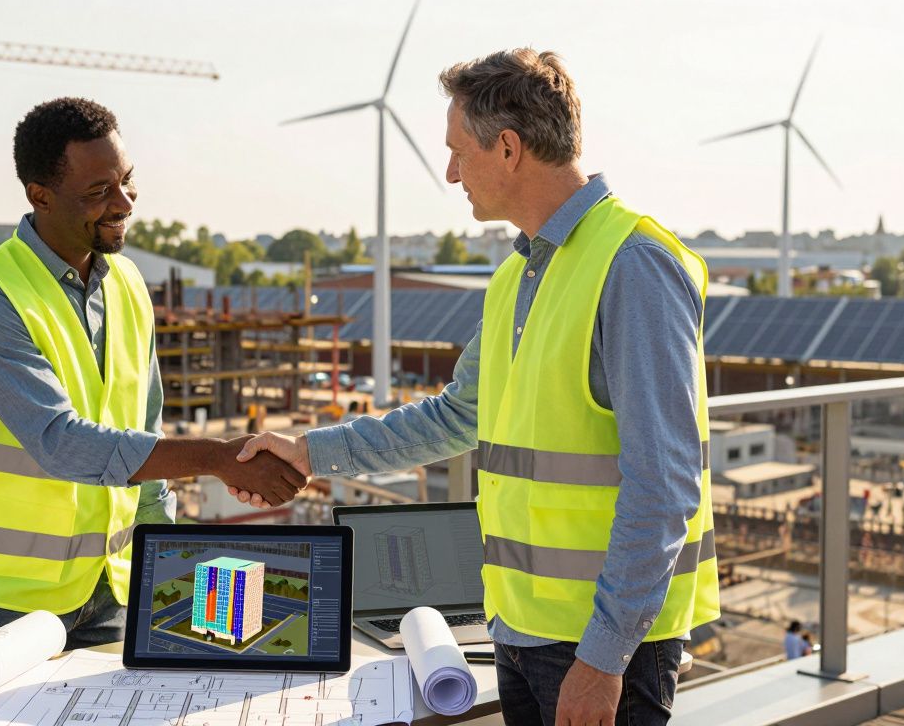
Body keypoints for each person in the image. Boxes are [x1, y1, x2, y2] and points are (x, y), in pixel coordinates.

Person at [235, 49, 718, 725]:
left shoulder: (634, 264)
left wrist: (604, 657)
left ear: (511, 148)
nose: (451, 172)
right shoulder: (516, 277)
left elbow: (664, 485)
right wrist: (310, 452)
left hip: (604, 648)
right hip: (519, 631)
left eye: (459, 151)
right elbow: (454, 417)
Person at [0, 98, 307, 648]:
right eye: (98, 192)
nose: (124, 203)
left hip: (111, 588)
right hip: (2, 602)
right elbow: (62, 443)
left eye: (127, 182)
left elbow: (145, 434)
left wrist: (170, 565)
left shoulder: (127, 285)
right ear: (40, 195)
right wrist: (219, 458)